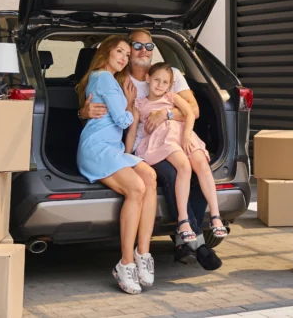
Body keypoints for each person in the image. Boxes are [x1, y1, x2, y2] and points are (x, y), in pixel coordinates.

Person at [79, 29, 223, 271]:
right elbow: (107, 113)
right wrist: (84, 112)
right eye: (134, 47)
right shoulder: (118, 78)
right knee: (172, 173)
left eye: (148, 46)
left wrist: (165, 113)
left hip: (175, 135)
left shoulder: (171, 74)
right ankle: (193, 239)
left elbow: (193, 110)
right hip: (145, 144)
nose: (141, 51)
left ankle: (186, 237)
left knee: (197, 168)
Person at [74, 36, 158, 295]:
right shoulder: (104, 78)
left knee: (150, 176)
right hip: (97, 148)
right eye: (118, 52)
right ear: (106, 54)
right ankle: (126, 263)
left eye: (126, 53)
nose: (123, 57)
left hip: (112, 148)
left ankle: (143, 252)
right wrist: (131, 106)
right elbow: (123, 121)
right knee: (136, 189)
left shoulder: (111, 80)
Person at [129, 62, 228, 243]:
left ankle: (215, 216)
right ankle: (183, 221)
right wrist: (127, 154)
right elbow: (133, 129)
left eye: (165, 82)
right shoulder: (140, 104)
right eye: (156, 80)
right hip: (163, 140)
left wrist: (188, 136)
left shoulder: (172, 97)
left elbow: (190, 114)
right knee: (184, 167)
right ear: (148, 79)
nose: (160, 85)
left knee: (202, 165)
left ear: (170, 84)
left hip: (183, 135)